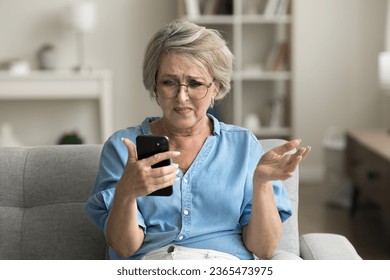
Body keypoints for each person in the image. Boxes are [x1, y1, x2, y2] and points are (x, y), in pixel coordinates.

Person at [84, 20, 310, 260]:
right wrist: (126, 193)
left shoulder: (243, 146)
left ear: (216, 88)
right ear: (155, 86)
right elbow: (124, 247)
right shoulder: (124, 148)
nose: (182, 97)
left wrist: (262, 183)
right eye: (169, 82)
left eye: (195, 84)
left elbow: (263, 249)